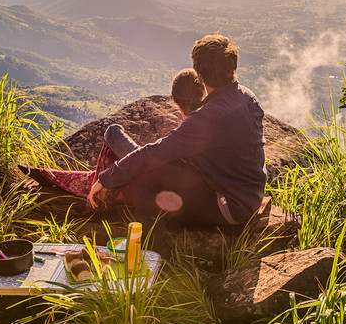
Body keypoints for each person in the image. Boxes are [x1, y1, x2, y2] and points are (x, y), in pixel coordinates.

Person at [88, 33, 267, 230]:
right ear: (233, 65)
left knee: (149, 174)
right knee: (158, 163)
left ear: (199, 72)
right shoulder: (247, 97)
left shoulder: (207, 118)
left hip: (228, 207)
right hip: (250, 198)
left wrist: (107, 179)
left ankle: (153, 247)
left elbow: (155, 154)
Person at [18, 68, 205, 211]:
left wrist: (107, 178)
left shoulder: (184, 134)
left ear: (173, 99)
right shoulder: (215, 127)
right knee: (130, 155)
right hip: (180, 189)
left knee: (113, 132)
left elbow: (147, 157)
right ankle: (59, 177)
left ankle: (85, 186)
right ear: (202, 96)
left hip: (158, 184)